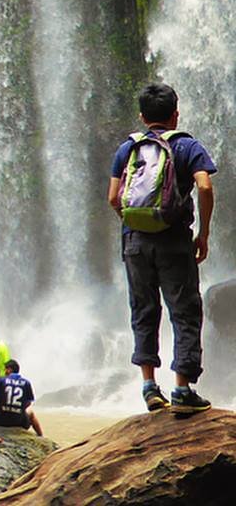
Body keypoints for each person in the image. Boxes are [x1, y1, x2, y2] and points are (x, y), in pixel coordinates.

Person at [109, 83, 216, 415]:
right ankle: (183, 388)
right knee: (184, 311)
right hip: (174, 241)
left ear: (142, 116)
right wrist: (203, 233)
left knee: (143, 309)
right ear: (176, 114)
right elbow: (205, 184)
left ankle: (149, 386)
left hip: (135, 242)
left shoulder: (128, 148)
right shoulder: (187, 146)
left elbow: (114, 198)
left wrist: (134, 222)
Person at [0, 360, 43, 436]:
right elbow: (29, 402)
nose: (5, 371)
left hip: (0, 420)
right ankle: (41, 436)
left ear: (10, 369)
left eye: (5, 369)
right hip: (19, 421)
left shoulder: (1, 380)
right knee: (31, 413)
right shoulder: (26, 383)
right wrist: (18, 409)